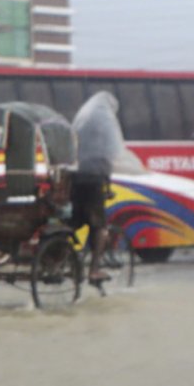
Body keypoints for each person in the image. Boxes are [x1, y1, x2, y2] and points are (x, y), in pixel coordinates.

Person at [71, 90, 132, 286]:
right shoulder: (105, 123)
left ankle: (60, 256)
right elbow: (115, 152)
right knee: (100, 227)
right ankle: (94, 269)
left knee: (75, 220)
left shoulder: (82, 120)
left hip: (75, 178)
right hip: (93, 180)